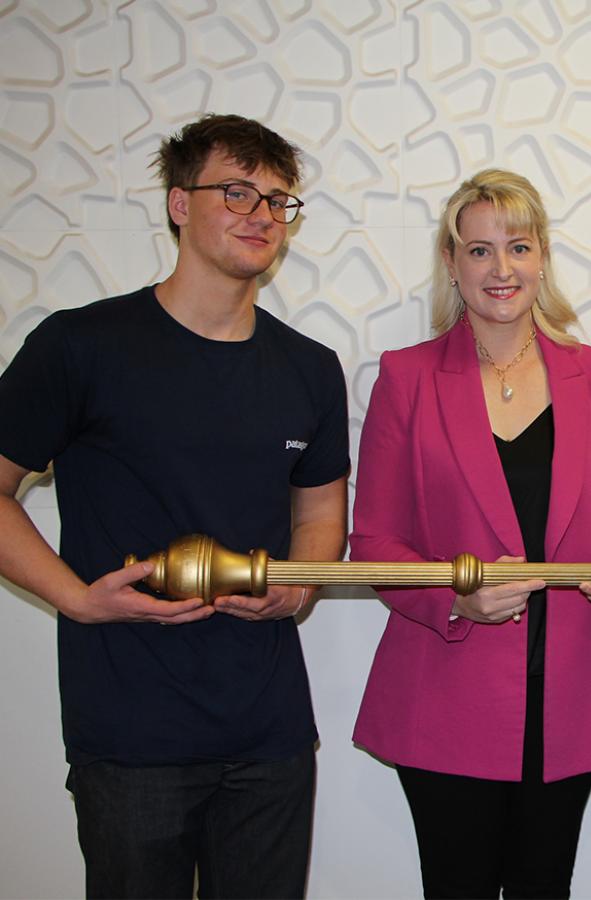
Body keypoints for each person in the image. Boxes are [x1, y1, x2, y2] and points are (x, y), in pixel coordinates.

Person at [0, 114, 349, 898]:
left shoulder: (310, 369)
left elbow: (321, 512)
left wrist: (302, 582)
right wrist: (75, 600)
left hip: (270, 739)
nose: (261, 214)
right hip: (129, 738)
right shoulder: (80, 347)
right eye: (236, 191)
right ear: (178, 204)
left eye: (278, 199)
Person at [350, 168, 591, 899]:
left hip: (570, 692)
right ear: (452, 264)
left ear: (542, 256)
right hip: (446, 694)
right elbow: (375, 543)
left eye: (517, 246)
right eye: (479, 251)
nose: (501, 268)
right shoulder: (406, 377)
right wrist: (456, 598)